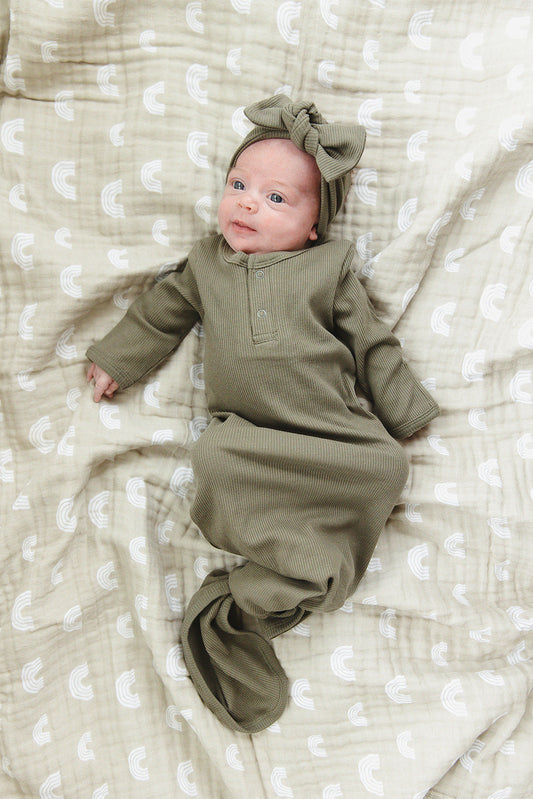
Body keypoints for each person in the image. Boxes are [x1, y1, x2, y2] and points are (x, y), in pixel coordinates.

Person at [86, 94, 440, 733]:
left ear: (313, 226)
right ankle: (276, 568)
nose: (248, 202)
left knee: (386, 465)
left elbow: (370, 340)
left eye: (277, 198)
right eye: (239, 185)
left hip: (329, 429)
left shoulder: (328, 269)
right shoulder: (206, 264)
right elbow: (160, 311)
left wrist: (402, 402)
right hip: (250, 438)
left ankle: (281, 571)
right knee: (214, 455)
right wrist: (120, 357)